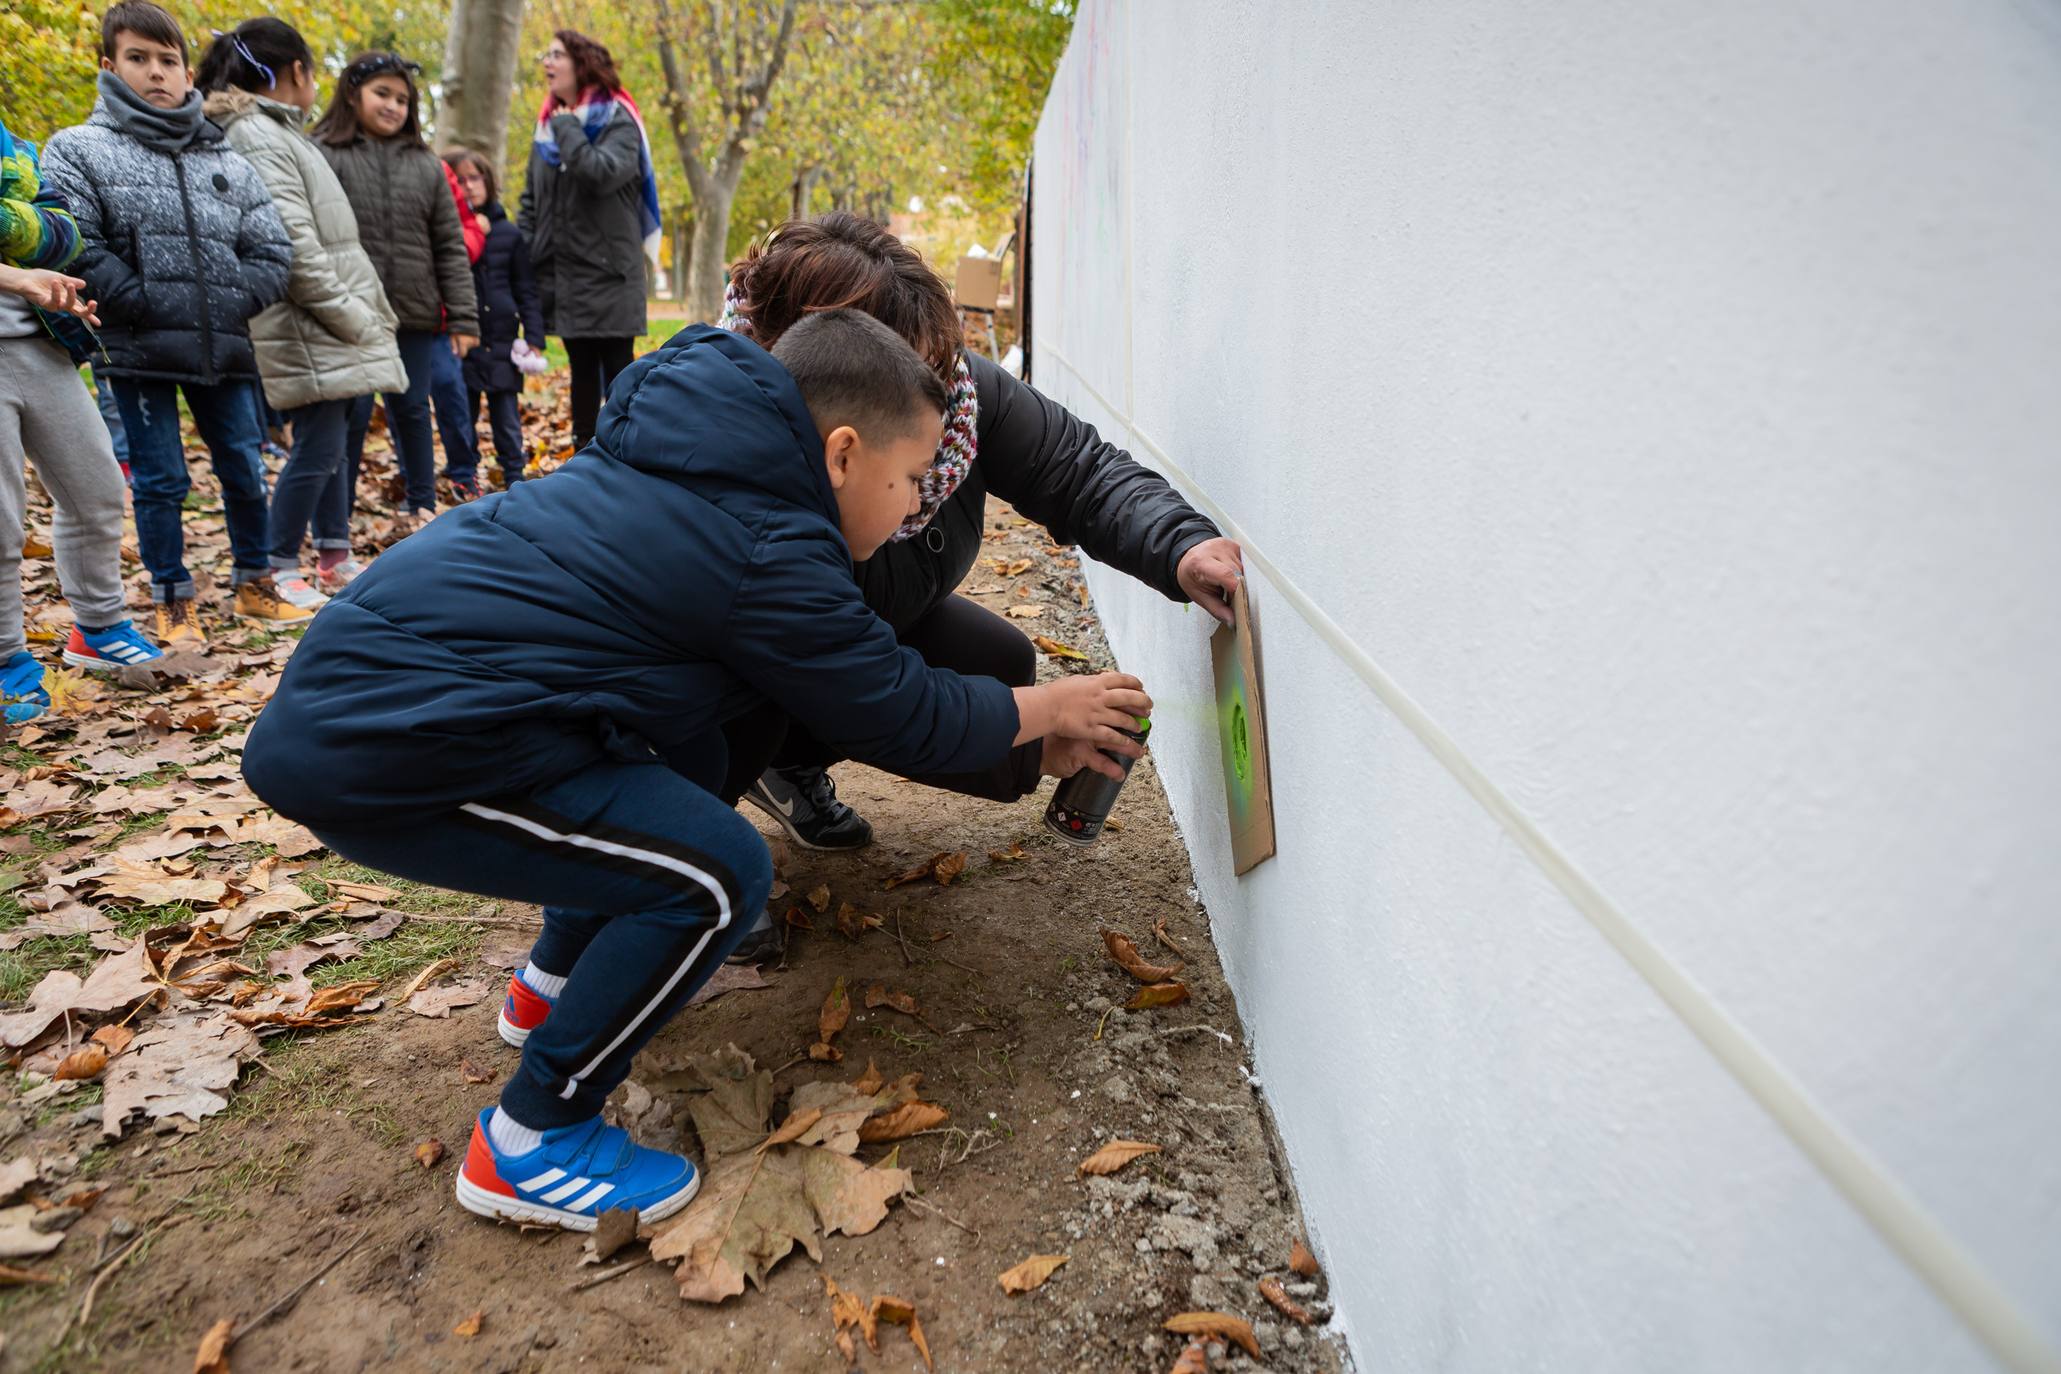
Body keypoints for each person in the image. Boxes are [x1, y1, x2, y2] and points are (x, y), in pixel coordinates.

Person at [239, 310, 1153, 1231]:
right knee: (714, 875)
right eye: (911, 478)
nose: (919, 505)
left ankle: (551, 986)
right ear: (840, 454)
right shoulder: (764, 540)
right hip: (385, 750)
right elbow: (898, 711)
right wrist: (1047, 708)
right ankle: (533, 1137)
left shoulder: (701, 460)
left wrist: (1026, 735)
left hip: (421, 702)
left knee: (708, 748)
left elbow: (817, 693)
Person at [719, 214, 1245, 880]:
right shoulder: (728, 462)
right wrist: (1037, 734)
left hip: (846, 640)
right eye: (909, 475)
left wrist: (1178, 545)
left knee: (994, 662)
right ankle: (685, 857)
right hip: (722, 679)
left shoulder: (958, 395)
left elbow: (1073, 466)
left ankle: (784, 766)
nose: (921, 490)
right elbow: (867, 694)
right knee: (729, 708)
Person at [40, 0, 300, 642]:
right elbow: (76, 242)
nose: (157, 72)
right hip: (134, 344)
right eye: (139, 58)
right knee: (160, 478)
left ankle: (254, 582)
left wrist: (230, 302)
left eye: (168, 60)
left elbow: (272, 249)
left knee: (242, 463)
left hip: (223, 344)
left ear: (189, 72)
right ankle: (171, 595)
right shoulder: (79, 149)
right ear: (109, 66)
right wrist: (140, 299)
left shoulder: (227, 159)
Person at [198, 20, 408, 598]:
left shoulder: (279, 133)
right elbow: (292, 244)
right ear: (297, 73)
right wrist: (349, 314)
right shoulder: (257, 136)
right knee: (317, 446)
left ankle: (333, 554)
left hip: (330, 315)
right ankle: (280, 563)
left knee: (339, 444)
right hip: (309, 316)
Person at [2, 114, 164, 724]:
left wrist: (27, 239)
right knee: (0, 519)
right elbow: (32, 237)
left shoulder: (12, 144)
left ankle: (97, 626)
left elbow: (64, 234)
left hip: (40, 342)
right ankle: (5, 660)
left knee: (97, 489)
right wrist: (17, 269)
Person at [311, 50, 479, 536]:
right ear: (352, 93)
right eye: (382, 93)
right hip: (350, 313)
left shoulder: (425, 165)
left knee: (411, 411)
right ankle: (335, 522)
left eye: (402, 99)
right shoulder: (325, 153)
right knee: (352, 416)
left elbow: (449, 245)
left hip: (414, 313)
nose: (392, 106)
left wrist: (464, 318)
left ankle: (421, 508)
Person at [520, 28, 659, 449]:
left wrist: (566, 125)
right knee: (580, 372)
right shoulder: (546, 131)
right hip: (564, 273)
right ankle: (584, 460)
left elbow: (599, 173)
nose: (546, 62)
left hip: (609, 274)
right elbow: (532, 200)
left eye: (556, 55)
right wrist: (524, 258)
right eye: (545, 54)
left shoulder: (617, 119)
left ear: (582, 64)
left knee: (618, 372)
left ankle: (626, 456)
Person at [445, 148, 541, 491]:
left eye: (475, 178)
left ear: (488, 182)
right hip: (464, 335)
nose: (469, 186)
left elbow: (526, 289)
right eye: (460, 180)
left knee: (505, 414)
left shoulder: (510, 234)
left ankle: (514, 474)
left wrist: (533, 336)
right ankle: (464, 475)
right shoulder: (448, 231)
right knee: (461, 413)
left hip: (501, 337)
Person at [430, 158, 487, 499]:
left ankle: (464, 473)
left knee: (450, 390)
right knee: (404, 406)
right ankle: (414, 481)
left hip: (436, 315)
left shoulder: (436, 170)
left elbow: (460, 239)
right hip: (387, 311)